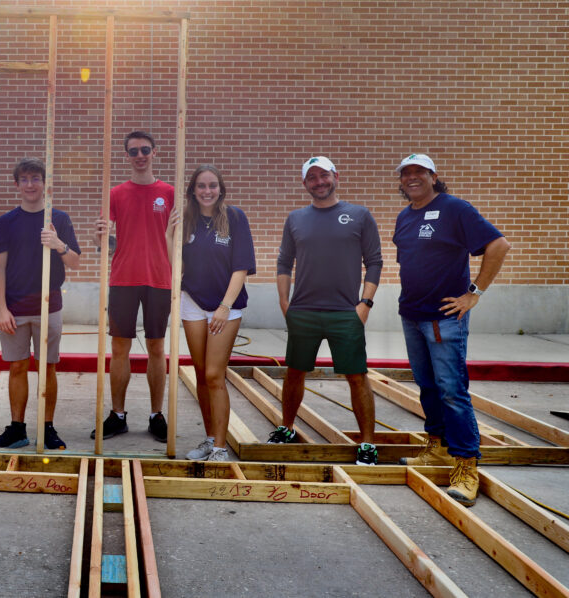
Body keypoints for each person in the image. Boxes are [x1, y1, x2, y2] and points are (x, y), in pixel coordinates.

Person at [393, 153, 510, 506]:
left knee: (452, 391)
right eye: (406, 173)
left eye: (419, 172)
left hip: (443, 317)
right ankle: (438, 447)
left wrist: (473, 294)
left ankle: (465, 465)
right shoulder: (404, 216)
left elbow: (498, 245)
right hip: (412, 314)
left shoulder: (455, 208)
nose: (412, 178)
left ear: (433, 176)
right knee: (427, 385)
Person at [273, 156, 382, 466]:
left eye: (323, 175)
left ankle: (368, 444)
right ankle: (287, 427)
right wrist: (284, 302)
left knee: (357, 377)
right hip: (303, 310)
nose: (318, 182)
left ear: (336, 176)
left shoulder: (359, 215)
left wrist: (365, 303)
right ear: (304, 184)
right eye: (312, 178)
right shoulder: (296, 218)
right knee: (294, 372)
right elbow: (284, 262)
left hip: (345, 312)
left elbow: (374, 261)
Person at [0, 158, 81, 450]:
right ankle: (17, 429)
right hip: (15, 308)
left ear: (44, 183)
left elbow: (75, 261)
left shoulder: (59, 219)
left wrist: (58, 243)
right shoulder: (6, 222)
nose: (30, 184)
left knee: (47, 367)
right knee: (17, 367)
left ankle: (48, 427)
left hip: (48, 305)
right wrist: (1, 308)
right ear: (17, 185)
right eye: (25, 179)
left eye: (36, 179)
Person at [167, 165, 256, 462]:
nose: (207, 191)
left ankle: (220, 448)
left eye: (212, 186)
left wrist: (224, 306)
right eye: (201, 186)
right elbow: (175, 265)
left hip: (225, 307)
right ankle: (209, 439)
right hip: (192, 302)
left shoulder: (234, 218)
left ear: (221, 188)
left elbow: (241, 267)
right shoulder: (187, 219)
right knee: (202, 376)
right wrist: (169, 234)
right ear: (193, 190)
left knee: (215, 374)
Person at [92, 131, 174, 443]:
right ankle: (118, 414)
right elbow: (104, 241)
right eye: (133, 151)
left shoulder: (168, 192)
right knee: (119, 348)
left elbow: (176, 236)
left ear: (155, 152)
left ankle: (156, 415)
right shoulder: (115, 194)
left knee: (156, 347)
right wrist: (98, 234)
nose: (139, 155)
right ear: (127, 156)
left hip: (159, 279)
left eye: (144, 150)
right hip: (123, 278)